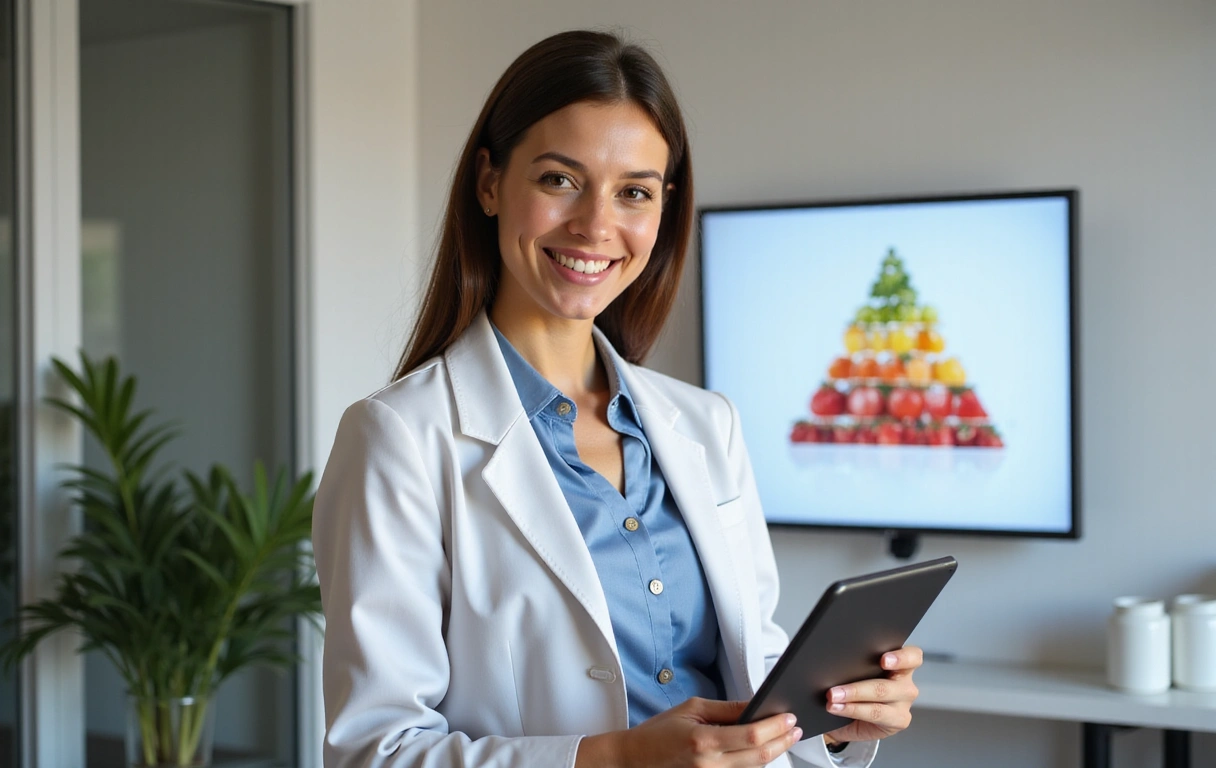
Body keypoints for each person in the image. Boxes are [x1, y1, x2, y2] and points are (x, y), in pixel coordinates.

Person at [312, 29, 922, 768]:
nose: (596, 226)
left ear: (664, 209)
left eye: (633, 192)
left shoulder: (706, 423)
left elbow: (753, 671)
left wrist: (834, 716)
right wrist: (616, 758)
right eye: (559, 180)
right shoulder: (399, 437)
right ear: (489, 182)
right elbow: (375, 751)